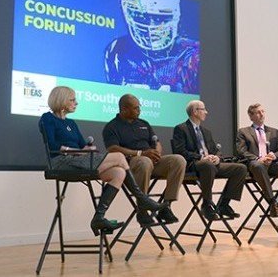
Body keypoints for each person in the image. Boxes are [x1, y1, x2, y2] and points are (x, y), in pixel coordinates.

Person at [39, 86, 167, 234]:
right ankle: (142, 199)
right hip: (61, 162)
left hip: (79, 160)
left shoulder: (71, 123)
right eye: (72, 100)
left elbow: (82, 145)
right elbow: (52, 145)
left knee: (119, 173)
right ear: (61, 100)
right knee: (119, 156)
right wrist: (75, 151)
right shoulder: (47, 118)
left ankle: (99, 217)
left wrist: (88, 149)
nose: (76, 103)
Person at [102, 94, 186, 225]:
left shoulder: (144, 124)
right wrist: (140, 153)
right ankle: (142, 207)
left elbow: (156, 141)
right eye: (135, 108)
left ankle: (166, 205)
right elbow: (113, 149)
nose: (139, 110)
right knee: (144, 161)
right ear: (123, 109)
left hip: (152, 160)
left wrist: (157, 151)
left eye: (139, 107)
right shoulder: (111, 127)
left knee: (178, 160)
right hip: (131, 163)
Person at [104, 0, 200, 94]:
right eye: (140, 16)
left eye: (160, 18)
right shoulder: (118, 50)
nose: (152, 26)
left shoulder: (193, 55)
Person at [173, 100, 247, 220]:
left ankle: (224, 204)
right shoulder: (181, 129)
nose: (206, 112)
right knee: (207, 165)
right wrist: (202, 157)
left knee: (240, 168)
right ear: (195, 111)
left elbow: (215, 150)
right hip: (194, 164)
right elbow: (180, 152)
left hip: (211, 164)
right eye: (203, 109)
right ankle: (206, 204)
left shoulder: (206, 132)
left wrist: (217, 157)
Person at [236, 103, 278, 217]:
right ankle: (272, 203)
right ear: (251, 116)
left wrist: (273, 156)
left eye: (262, 111)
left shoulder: (274, 131)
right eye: (258, 112)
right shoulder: (243, 132)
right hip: (256, 166)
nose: (261, 114)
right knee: (258, 165)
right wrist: (258, 158)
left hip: (272, 165)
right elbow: (241, 151)